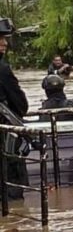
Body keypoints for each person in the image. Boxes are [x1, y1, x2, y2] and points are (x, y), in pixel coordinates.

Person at [0, 17, 29, 199]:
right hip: (5, 143)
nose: (5, 43)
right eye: (0, 39)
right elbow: (21, 104)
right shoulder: (2, 69)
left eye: (5, 39)